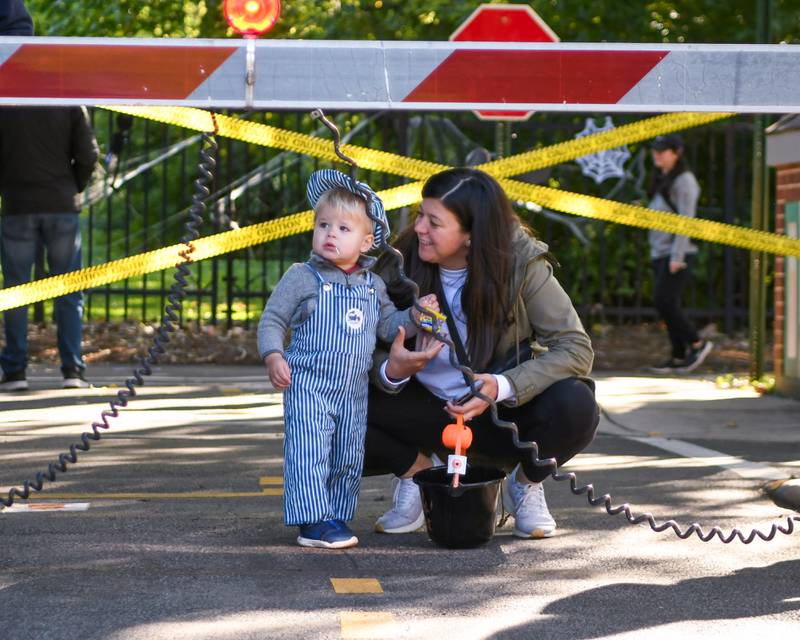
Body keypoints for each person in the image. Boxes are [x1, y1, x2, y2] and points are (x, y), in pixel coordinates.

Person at [364, 167, 599, 540]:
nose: (420, 227)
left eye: (434, 222)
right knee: (333, 396)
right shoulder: (399, 261)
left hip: (497, 414)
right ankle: (419, 474)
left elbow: (574, 346)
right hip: (424, 411)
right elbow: (355, 344)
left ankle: (524, 485)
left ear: (471, 235)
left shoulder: (520, 260)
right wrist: (393, 369)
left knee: (577, 405)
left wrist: (502, 386)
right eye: (421, 215)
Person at [257, 169, 437, 550]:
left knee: (347, 453)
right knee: (310, 451)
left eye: (343, 228)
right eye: (323, 225)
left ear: (367, 241)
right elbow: (273, 319)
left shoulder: (372, 285)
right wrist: (274, 355)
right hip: (308, 385)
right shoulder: (302, 277)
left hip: (353, 390)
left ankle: (334, 515)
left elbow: (389, 327)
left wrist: (417, 317)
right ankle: (311, 521)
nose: (330, 234)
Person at [0, 105, 100, 391]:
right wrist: (73, 186)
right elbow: (88, 154)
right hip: (60, 203)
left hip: (18, 204)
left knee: (16, 290)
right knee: (69, 290)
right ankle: (72, 369)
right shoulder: (68, 102)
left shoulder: (6, 100)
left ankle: (15, 370)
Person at [646, 134, 713, 373]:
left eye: (663, 151)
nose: (657, 154)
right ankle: (677, 354)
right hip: (659, 251)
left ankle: (697, 343)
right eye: (655, 150)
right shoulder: (661, 177)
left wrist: (677, 257)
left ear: (677, 153)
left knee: (664, 300)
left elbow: (686, 221)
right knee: (667, 303)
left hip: (676, 253)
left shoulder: (685, 181)